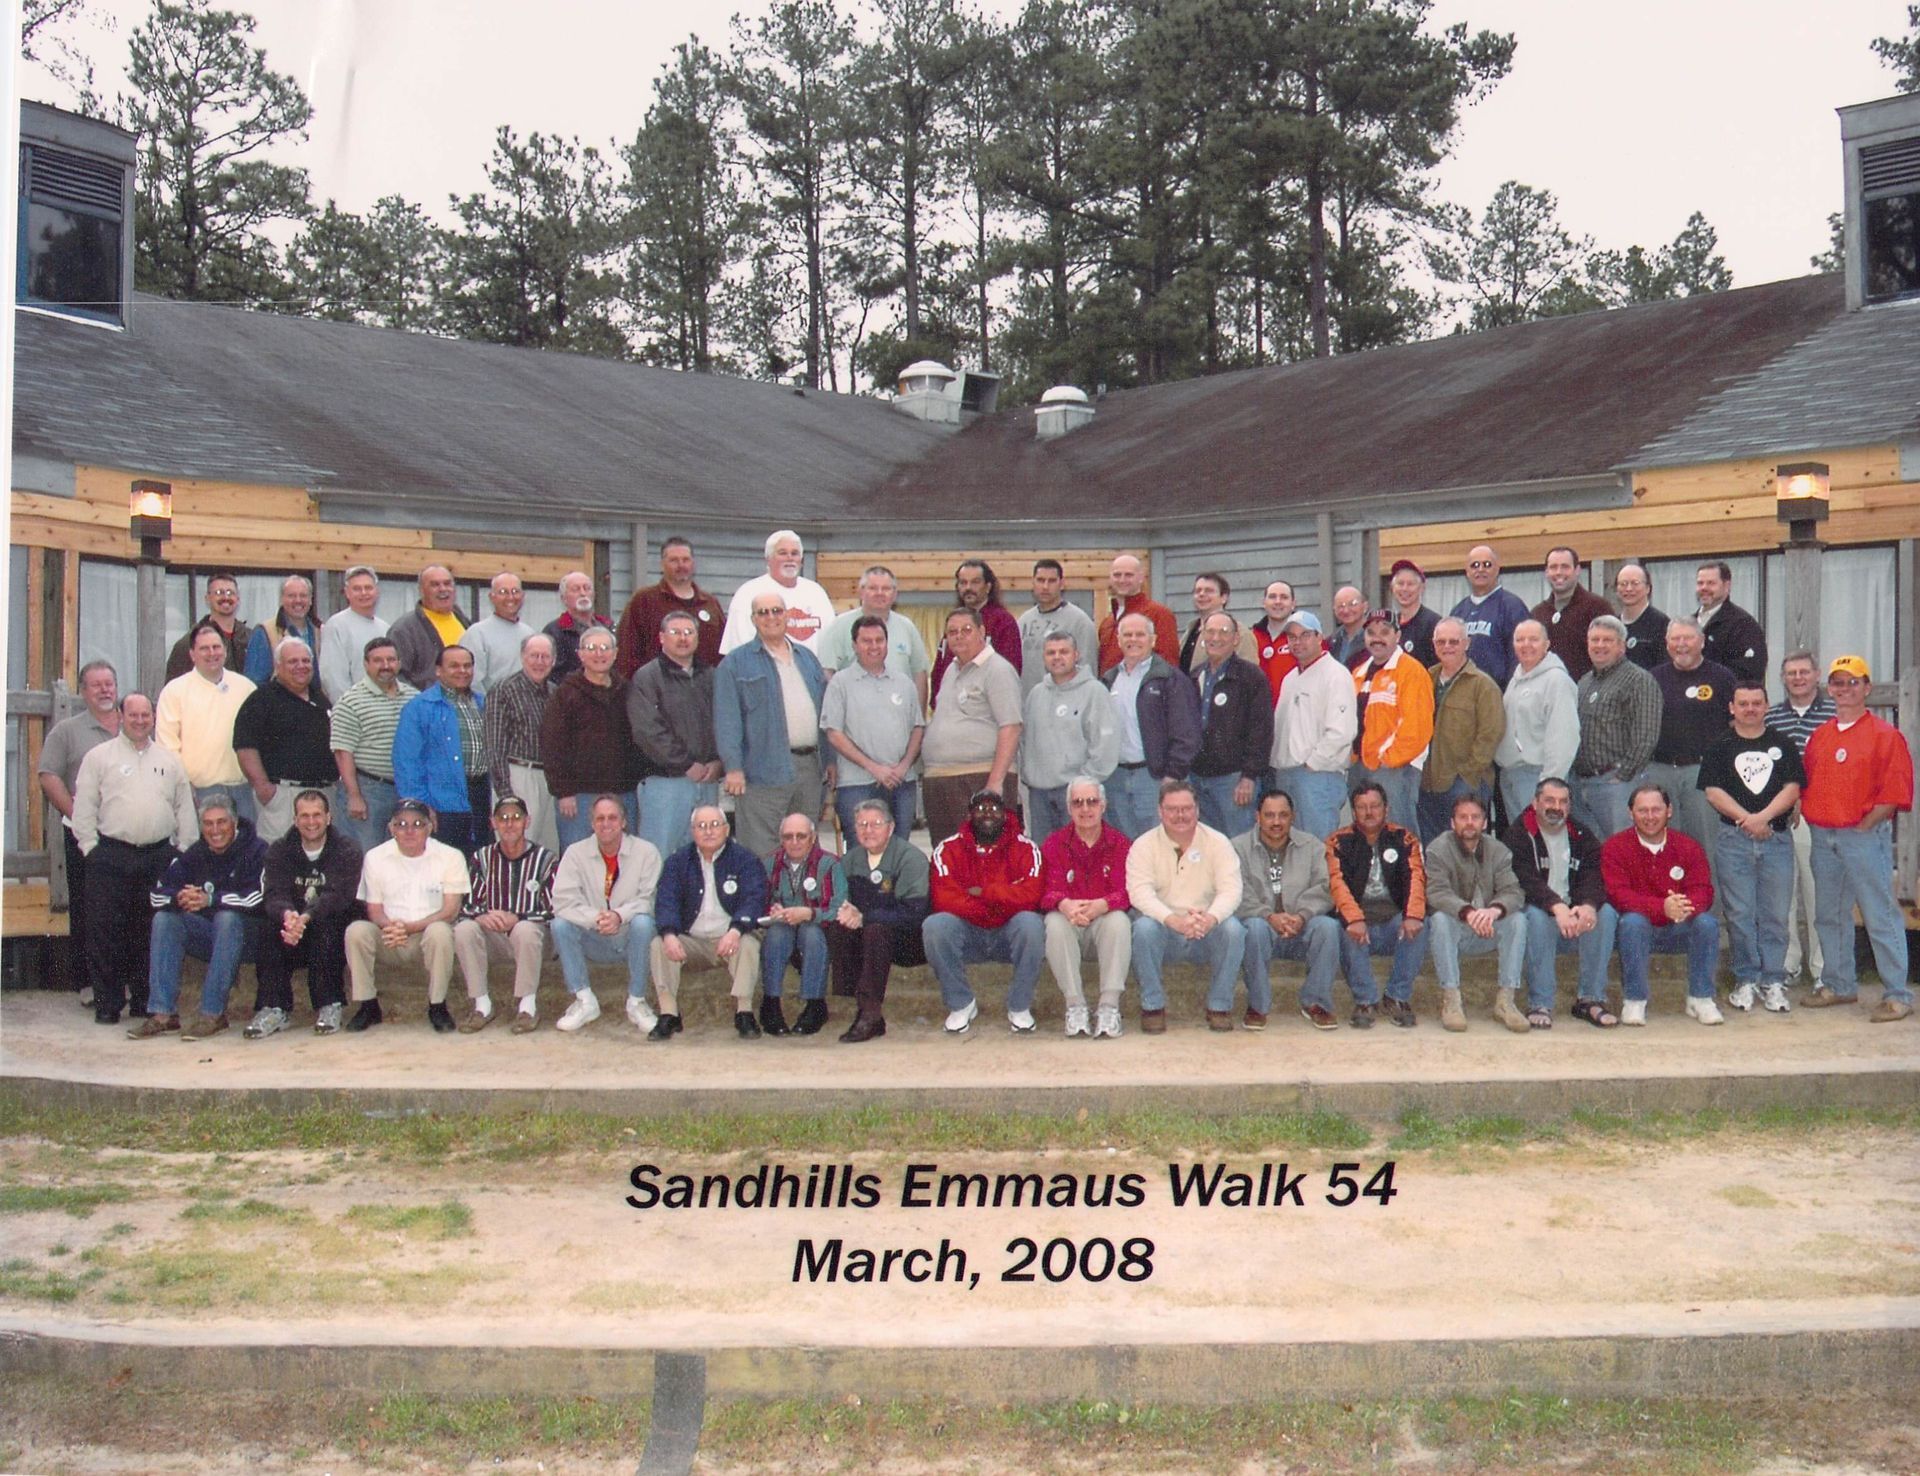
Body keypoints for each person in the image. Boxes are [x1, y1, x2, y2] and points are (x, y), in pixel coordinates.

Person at [71, 694, 196, 1024]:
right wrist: (90, 848)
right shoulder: (99, 758)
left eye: (146, 715)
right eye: (133, 714)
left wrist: (182, 853)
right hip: (110, 855)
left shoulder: (169, 761)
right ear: (121, 715)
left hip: (158, 856)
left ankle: (144, 1000)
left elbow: (184, 808)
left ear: (153, 717)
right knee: (106, 932)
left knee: (149, 930)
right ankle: (108, 1003)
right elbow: (83, 807)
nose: (140, 720)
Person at [1800, 656, 1913, 1022]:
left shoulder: (1885, 734)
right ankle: (1839, 984)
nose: (1845, 689)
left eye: (1853, 682)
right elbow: (1809, 783)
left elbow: (1895, 792)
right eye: (1838, 682)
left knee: (1880, 915)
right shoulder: (1822, 735)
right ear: (1828, 688)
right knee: (1829, 915)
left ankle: (1897, 994)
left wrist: (1866, 826)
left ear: (1867, 687)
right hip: (1823, 835)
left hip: (1862, 837)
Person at [1699, 680, 1803, 1015]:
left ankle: (1773, 980)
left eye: (1756, 703)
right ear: (1732, 707)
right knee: (1741, 914)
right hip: (1733, 840)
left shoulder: (1782, 744)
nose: (1749, 709)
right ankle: (1746, 979)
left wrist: (1765, 818)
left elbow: (1792, 788)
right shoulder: (1719, 746)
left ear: (1766, 706)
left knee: (1774, 914)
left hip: (1776, 839)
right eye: (1742, 704)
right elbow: (1713, 791)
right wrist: (1747, 819)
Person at [128, 795, 267, 1041]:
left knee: (227, 918)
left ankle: (213, 1014)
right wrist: (179, 897)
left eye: (221, 822)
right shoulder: (195, 852)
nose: (215, 830)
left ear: (234, 822)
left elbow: (257, 898)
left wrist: (212, 900)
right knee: (165, 919)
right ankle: (163, 1014)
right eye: (208, 824)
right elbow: (158, 893)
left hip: (248, 938)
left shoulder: (256, 850)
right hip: (209, 936)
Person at [714, 591, 830, 859]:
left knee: (805, 848)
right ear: (753, 619)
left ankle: (802, 901)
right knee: (761, 850)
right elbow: (727, 720)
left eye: (777, 610)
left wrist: (830, 761)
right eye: (763, 612)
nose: (771, 617)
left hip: (809, 769)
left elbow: (824, 713)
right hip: (760, 772)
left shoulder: (807, 658)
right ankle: (765, 902)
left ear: (787, 615)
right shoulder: (735, 663)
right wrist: (733, 767)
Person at [925, 788, 1047, 1035]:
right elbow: (944, 899)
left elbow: (1031, 896)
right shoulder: (948, 849)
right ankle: (961, 1003)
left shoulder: (1026, 848)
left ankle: (1019, 1005)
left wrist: (984, 892)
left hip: (1008, 932)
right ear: (970, 815)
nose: (987, 814)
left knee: (1032, 924)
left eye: (994, 808)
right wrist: (998, 902)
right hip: (968, 932)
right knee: (935, 926)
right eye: (980, 809)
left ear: (1005, 814)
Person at [1126, 779, 1244, 1034]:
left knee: (1234, 929)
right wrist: (1173, 920)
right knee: (1143, 928)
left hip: (1206, 930)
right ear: (1160, 811)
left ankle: (1220, 1006)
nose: (1180, 815)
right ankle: (1153, 1006)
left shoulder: (1218, 842)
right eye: (1172, 809)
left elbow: (1232, 889)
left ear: (1197, 809)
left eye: (1187, 808)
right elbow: (1139, 893)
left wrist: (1211, 918)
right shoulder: (1143, 845)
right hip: (1165, 931)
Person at [343, 798, 468, 1032]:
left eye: (418, 824)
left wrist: (410, 928)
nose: (409, 830)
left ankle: (437, 1005)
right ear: (391, 828)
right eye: (401, 824)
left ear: (430, 827)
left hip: (427, 936)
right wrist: (391, 927)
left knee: (441, 931)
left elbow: (450, 910)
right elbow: (374, 910)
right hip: (390, 935)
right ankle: (368, 1005)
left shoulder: (451, 856)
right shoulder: (375, 857)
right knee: (356, 931)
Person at [36, 660, 119, 1007]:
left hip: (127, 834)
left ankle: (125, 980)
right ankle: (88, 983)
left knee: (125, 908)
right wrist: (77, 815)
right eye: (96, 685)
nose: (104, 690)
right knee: (89, 908)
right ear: (83, 692)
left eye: (109, 683)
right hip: (85, 836)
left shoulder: (135, 724)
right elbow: (48, 775)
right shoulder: (67, 731)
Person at [1603, 783, 1721, 1026]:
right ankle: (1634, 1000)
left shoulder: (1687, 846)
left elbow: (1703, 890)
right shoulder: (1615, 847)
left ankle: (1701, 998)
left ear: (1669, 811)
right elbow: (1617, 894)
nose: (1649, 817)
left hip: (1679, 926)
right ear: (1630, 813)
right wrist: (1661, 908)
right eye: (1642, 810)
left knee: (1707, 923)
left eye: (1656, 810)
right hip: (1635, 931)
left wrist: (1682, 907)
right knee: (1632, 922)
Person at [1508, 776, 1618, 1030]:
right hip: (1538, 908)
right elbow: (1523, 881)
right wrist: (1556, 907)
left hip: (1573, 912)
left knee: (1606, 914)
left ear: (1569, 806)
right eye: (1549, 800)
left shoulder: (1581, 834)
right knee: (1536, 917)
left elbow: (1595, 875)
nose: (1556, 807)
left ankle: (1590, 999)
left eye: (1562, 802)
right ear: (1535, 803)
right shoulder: (1518, 835)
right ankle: (1540, 1002)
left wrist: (1588, 905)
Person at [252, 788, 362, 1038]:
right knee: (269, 927)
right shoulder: (279, 850)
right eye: (304, 816)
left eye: (316, 815)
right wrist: (288, 915)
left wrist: (306, 916)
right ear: (295, 820)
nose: (311, 822)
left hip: (325, 926)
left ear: (328, 817)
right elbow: (273, 893)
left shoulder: (346, 849)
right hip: (293, 929)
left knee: (329, 923)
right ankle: (274, 1008)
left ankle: (329, 1005)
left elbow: (339, 895)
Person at [650, 806, 767, 1039]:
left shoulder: (745, 859)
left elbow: (755, 899)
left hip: (730, 937)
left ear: (726, 829)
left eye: (715, 825)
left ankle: (744, 1012)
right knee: (658, 945)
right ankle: (669, 1014)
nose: (708, 831)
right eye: (701, 826)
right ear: (692, 832)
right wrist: (669, 934)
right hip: (692, 941)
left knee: (749, 945)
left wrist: (735, 931)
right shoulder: (677, 861)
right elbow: (666, 901)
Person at [550, 794, 663, 1035]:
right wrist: (596, 918)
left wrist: (619, 916)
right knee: (559, 925)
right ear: (591, 823)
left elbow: (650, 898)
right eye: (600, 818)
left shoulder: (646, 852)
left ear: (624, 821)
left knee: (644, 922)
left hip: (630, 936)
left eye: (612, 818)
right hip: (592, 935)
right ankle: (583, 999)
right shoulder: (574, 853)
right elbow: (561, 901)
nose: (606, 824)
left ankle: (637, 1001)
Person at [1231, 787, 1341, 1030]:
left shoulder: (1311, 846)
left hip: (1302, 923)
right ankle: (1258, 1006)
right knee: (1255, 928)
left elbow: (1325, 887)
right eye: (1269, 815)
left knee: (1329, 927)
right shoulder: (1237, 848)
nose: (1276, 822)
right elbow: (1236, 890)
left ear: (1293, 816)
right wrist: (1269, 915)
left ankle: (1316, 1002)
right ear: (1257, 817)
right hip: (1263, 923)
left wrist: (1302, 916)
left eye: (1283, 815)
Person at [451, 795, 558, 1034]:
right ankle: (482, 1004)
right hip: (495, 940)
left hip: (536, 941)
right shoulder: (482, 858)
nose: (510, 824)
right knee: (464, 928)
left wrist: (517, 917)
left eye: (516, 817)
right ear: (493, 823)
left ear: (527, 821)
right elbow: (466, 905)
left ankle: (527, 1007)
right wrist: (481, 916)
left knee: (525, 929)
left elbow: (554, 910)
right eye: (503, 818)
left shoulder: (546, 859)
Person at [827, 799, 930, 1043]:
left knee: (876, 930)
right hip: (869, 936)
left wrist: (866, 917)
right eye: (862, 824)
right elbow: (840, 901)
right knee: (838, 925)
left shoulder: (910, 859)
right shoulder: (850, 861)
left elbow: (914, 913)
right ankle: (842, 1002)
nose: (868, 830)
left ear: (891, 827)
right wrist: (847, 913)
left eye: (875, 824)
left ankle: (870, 1013)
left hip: (908, 939)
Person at [1327, 780, 1428, 1029]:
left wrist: (1413, 915)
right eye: (1362, 807)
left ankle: (1397, 996)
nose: (1369, 812)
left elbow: (1417, 878)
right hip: (1359, 921)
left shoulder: (1404, 839)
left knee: (1423, 925)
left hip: (1394, 920)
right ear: (1353, 812)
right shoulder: (1338, 842)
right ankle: (1365, 1001)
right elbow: (1336, 884)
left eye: (1375, 806)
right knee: (1345, 928)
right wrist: (1354, 918)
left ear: (1386, 808)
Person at [1422, 793, 1525, 1034]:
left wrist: (1493, 911)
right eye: (1463, 817)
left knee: (1518, 920)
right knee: (1439, 919)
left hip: (1489, 927)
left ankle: (1506, 1000)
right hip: (1458, 928)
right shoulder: (1438, 849)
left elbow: (1513, 891)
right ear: (1452, 822)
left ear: (1485, 822)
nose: (1469, 822)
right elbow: (1436, 892)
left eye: (1475, 817)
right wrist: (1467, 912)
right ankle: (1451, 999)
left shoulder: (1499, 850)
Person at [920, 606, 1024, 844]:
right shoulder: (950, 670)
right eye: (952, 631)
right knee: (948, 856)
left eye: (966, 630)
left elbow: (1011, 726)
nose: (958, 635)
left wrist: (994, 783)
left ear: (982, 632)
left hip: (978, 777)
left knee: (983, 854)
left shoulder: (998, 670)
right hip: (941, 779)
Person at [1039, 777, 1132, 1039]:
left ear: (1103, 805)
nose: (1085, 809)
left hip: (1102, 921)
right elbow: (1045, 890)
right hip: (1071, 921)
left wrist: (1103, 905)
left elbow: (1129, 892)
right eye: (1077, 803)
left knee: (1119, 921)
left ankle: (1108, 1006)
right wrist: (1064, 903)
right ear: (1069, 809)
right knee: (1054, 922)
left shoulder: (1120, 843)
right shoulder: (1054, 843)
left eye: (1092, 801)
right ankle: (1075, 1005)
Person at [1766, 650, 1835, 991]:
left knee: (1817, 893)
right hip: (1778, 815)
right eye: (1791, 673)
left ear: (1816, 674)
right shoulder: (1771, 717)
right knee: (1782, 895)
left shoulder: (1834, 715)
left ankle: (1823, 970)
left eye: (1804, 672)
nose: (1798, 678)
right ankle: (1787, 964)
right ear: (1783, 678)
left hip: (1817, 814)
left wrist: (1804, 801)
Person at [629, 611, 722, 861]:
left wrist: (718, 762)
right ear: (661, 638)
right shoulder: (647, 677)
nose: (683, 638)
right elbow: (648, 730)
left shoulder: (711, 676)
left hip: (707, 781)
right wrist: (685, 764)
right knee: (657, 857)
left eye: (689, 632)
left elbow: (724, 722)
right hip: (666, 783)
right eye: (676, 632)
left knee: (702, 857)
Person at [823, 614, 925, 842]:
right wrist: (874, 768)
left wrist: (903, 767)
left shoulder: (904, 682)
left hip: (901, 782)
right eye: (866, 641)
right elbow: (833, 733)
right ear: (854, 645)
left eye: (879, 640)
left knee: (899, 850)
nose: (874, 646)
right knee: (861, 852)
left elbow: (918, 728)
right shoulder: (840, 683)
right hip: (857, 783)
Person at [1102, 611, 1202, 840]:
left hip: (1154, 778)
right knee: (1124, 847)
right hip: (1116, 779)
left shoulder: (1170, 679)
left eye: (1140, 634)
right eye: (1127, 634)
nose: (1133, 640)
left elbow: (1187, 734)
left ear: (1153, 640)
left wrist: (1172, 776)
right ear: (1118, 640)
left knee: (1161, 844)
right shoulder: (1108, 680)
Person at [541, 628, 641, 849]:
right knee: (578, 861)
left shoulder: (626, 690)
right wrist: (563, 791)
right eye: (592, 648)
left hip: (622, 793)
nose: (599, 654)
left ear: (615, 653)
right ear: (581, 655)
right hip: (578, 797)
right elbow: (552, 744)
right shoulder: (565, 693)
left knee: (623, 859)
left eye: (605, 648)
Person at [1645, 617, 1735, 861]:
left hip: (1703, 774)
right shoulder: (1653, 678)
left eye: (1688, 638)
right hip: (1660, 771)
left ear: (1702, 642)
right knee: (1664, 847)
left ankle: (1709, 900)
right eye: (1675, 639)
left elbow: (1734, 726)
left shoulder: (1722, 678)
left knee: (1706, 847)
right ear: (1666, 643)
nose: (1681, 644)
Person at [232, 637, 335, 843]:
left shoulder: (321, 698)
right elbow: (245, 747)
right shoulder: (261, 699)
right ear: (278, 666)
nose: (301, 666)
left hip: (323, 795)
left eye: (306, 661)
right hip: (283, 797)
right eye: (293, 661)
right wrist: (264, 789)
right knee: (280, 857)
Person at [1020, 631, 1118, 841]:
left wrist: (1083, 784)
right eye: (1051, 653)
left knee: (1080, 853)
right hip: (1039, 794)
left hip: (1076, 795)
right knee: (1046, 857)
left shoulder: (1094, 692)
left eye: (1063, 652)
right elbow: (1025, 741)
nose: (1057, 657)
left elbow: (1105, 745)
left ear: (1076, 655)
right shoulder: (1036, 694)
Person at [1269, 611, 1357, 845]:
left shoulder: (1336, 675)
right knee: (1293, 848)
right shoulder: (1290, 678)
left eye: (1305, 635)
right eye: (1292, 637)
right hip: (1287, 774)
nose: (1298, 642)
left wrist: (1314, 763)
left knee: (1318, 847)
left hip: (1318, 776)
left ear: (1319, 637)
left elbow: (1342, 731)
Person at [156, 621, 259, 821]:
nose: (211, 653)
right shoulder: (174, 691)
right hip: (197, 793)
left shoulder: (246, 688)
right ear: (192, 654)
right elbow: (167, 748)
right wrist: (185, 789)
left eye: (216, 647)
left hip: (243, 791)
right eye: (204, 648)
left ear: (225, 650)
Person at [392, 644, 489, 856]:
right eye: (454, 666)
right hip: (441, 802)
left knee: (479, 863)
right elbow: (407, 762)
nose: (462, 671)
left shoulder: (483, 703)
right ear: (438, 670)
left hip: (481, 797)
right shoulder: (419, 708)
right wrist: (420, 806)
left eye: (467, 666)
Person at [1571, 615, 1661, 841]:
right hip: (1581, 784)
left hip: (1616, 785)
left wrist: (1622, 776)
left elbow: (1646, 735)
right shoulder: (1583, 682)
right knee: (1591, 854)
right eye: (1595, 640)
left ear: (1621, 645)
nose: (1599, 645)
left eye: (1607, 640)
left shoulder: (1639, 680)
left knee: (1621, 851)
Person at [329, 636, 418, 854]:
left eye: (391, 659)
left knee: (403, 856)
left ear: (399, 662)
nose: (385, 666)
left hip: (406, 789)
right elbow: (342, 752)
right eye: (378, 660)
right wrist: (354, 795)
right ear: (366, 664)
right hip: (368, 790)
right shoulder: (351, 702)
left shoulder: (414, 697)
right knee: (367, 856)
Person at [759, 813, 845, 1037]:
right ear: (781, 839)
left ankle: (815, 1004)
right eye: (788, 837)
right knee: (777, 933)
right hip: (781, 927)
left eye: (801, 836)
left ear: (813, 837)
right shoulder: (769, 864)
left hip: (817, 929)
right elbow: (757, 902)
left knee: (811, 932)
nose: (794, 842)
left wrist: (809, 913)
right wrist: (772, 911)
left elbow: (838, 908)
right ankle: (771, 1003)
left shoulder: (830, 864)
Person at [1187, 612, 1272, 838]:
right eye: (1210, 632)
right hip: (1198, 777)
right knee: (1208, 847)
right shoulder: (1195, 676)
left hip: (1233, 780)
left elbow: (1261, 730)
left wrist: (1249, 776)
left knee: (1240, 845)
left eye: (1223, 632)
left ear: (1236, 639)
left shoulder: (1251, 677)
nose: (1216, 637)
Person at [1419, 617, 1502, 845]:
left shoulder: (1482, 685)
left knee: (1468, 850)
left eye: (1454, 642)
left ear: (1467, 643)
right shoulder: (1426, 679)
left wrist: (1467, 773)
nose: (1447, 647)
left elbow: (1491, 734)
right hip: (1427, 782)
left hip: (1465, 783)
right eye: (1441, 642)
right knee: (1434, 850)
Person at [1351, 608, 1434, 831]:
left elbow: (1416, 727)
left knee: (1399, 832)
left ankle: (1411, 868)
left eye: (1384, 632)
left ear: (1397, 636)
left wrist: (1387, 758)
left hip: (1396, 768)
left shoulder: (1410, 671)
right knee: (1366, 834)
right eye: (1371, 632)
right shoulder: (1358, 673)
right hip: (1360, 766)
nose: (1377, 638)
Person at [481, 632, 559, 853]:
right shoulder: (503, 690)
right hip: (517, 776)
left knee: (547, 851)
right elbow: (494, 745)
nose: (540, 662)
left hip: (548, 781)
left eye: (545, 657)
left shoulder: (555, 693)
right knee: (516, 847)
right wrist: (506, 794)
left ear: (553, 661)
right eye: (534, 656)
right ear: (523, 657)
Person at [1495, 619, 1579, 822]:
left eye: (1533, 639)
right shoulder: (1517, 679)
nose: (1526, 645)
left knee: (1544, 840)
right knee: (1524, 842)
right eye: (1520, 640)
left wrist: (1550, 784)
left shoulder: (1556, 681)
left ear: (1547, 644)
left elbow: (1564, 735)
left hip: (1537, 776)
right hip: (1512, 775)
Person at [818, 564, 931, 711]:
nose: (880, 593)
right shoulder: (839, 626)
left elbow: (919, 674)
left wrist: (919, 722)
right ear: (861, 592)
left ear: (895, 594)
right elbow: (827, 673)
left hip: (900, 719)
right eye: (873, 588)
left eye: (886, 589)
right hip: (854, 720)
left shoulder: (907, 627)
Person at [615, 536, 725, 678]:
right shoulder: (644, 601)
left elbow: (723, 652)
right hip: (658, 691)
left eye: (686, 560)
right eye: (674, 560)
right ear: (662, 564)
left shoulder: (710, 604)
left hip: (704, 691)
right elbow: (626, 650)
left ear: (693, 563)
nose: (681, 565)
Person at [720, 529, 836, 655]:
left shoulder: (816, 593)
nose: (790, 558)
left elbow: (831, 643)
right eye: (782, 553)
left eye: (795, 553)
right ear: (768, 559)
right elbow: (737, 652)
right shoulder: (747, 594)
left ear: (801, 560)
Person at [931, 558, 1022, 696]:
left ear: (988, 587)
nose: (968, 588)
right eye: (963, 582)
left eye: (975, 582)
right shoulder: (954, 621)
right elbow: (939, 670)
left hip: (985, 710)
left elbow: (1010, 671)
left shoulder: (1003, 622)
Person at [1449, 544, 1530, 688]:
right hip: (1464, 696)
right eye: (1474, 565)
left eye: (1487, 564)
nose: (1480, 569)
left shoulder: (1512, 606)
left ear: (1497, 569)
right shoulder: (1458, 612)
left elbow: (1521, 656)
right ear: (1467, 572)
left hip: (1499, 696)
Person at [1017, 559, 1098, 697]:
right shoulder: (1024, 621)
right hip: (1029, 704)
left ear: (1062, 583)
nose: (1045, 586)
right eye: (1040, 580)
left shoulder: (1079, 622)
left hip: (1064, 705)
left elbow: (1087, 671)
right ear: (1033, 582)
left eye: (1052, 581)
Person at [1529, 546, 1611, 680]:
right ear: (1546, 572)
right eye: (1553, 567)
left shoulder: (1598, 608)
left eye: (1565, 567)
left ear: (1577, 570)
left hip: (1586, 693)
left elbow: (1611, 655)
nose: (1559, 572)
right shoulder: (1538, 613)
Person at [388, 564, 467, 691]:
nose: (443, 589)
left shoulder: (465, 623)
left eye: (447, 584)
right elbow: (397, 676)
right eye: (435, 585)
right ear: (421, 590)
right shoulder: (404, 630)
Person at [1095, 553, 1178, 672]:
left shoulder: (1159, 614)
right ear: (1110, 578)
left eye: (1128, 575)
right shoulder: (1107, 623)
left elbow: (1169, 664)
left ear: (1141, 578)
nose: (1122, 580)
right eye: (1117, 575)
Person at [318, 565, 388, 704]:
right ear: (347, 593)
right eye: (357, 589)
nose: (363, 593)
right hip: (352, 711)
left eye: (368, 588)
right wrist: (350, 709)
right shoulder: (336, 625)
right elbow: (333, 678)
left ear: (377, 591)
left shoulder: (385, 628)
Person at [458, 572, 536, 696]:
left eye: (515, 591)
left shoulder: (530, 634)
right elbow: (472, 682)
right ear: (491, 597)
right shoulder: (477, 634)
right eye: (503, 592)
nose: (511, 597)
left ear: (522, 596)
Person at [164, 570, 249, 682]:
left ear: (238, 599)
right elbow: (175, 686)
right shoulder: (189, 643)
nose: (225, 597)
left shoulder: (250, 638)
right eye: (219, 593)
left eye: (230, 593)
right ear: (207, 599)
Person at [1693, 561, 1767, 684]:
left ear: (1727, 586)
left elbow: (1750, 672)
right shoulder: (1690, 624)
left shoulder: (1743, 625)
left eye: (1711, 583)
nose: (1704, 588)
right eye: (1700, 583)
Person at [243, 574, 319, 686]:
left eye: (303, 595)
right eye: (291, 596)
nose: (298, 600)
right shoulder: (265, 632)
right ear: (281, 599)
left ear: (311, 600)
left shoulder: (319, 632)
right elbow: (254, 683)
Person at [543, 569, 613, 682]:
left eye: (587, 588)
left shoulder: (609, 628)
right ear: (563, 598)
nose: (583, 593)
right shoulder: (554, 632)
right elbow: (553, 676)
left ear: (594, 595)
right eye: (576, 589)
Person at [1178, 572, 1258, 671]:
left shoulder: (1240, 633)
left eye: (1209, 591)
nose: (1202, 594)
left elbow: (1249, 674)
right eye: (1198, 591)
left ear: (1224, 598)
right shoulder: (1190, 631)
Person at [1614, 562, 1669, 673]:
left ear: (1648, 588)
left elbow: (1665, 667)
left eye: (1635, 583)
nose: (1628, 589)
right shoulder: (1614, 625)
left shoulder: (1661, 623)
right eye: (1623, 584)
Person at [1249, 580, 1300, 698]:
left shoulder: (1306, 638)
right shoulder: (1251, 637)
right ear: (1264, 603)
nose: (1278, 602)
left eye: (1284, 597)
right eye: (1272, 597)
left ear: (1293, 604)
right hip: (1259, 711)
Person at [1388, 559, 1441, 671]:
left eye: (1410, 584)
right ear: (1392, 588)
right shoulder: (1389, 625)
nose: (1405, 589)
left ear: (1421, 588)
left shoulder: (1434, 624)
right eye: (1400, 583)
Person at [1325, 586, 1369, 669]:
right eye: (1341, 606)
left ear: (1365, 606)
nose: (1346, 610)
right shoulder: (1330, 643)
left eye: (1352, 604)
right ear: (1334, 610)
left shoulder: (1375, 639)